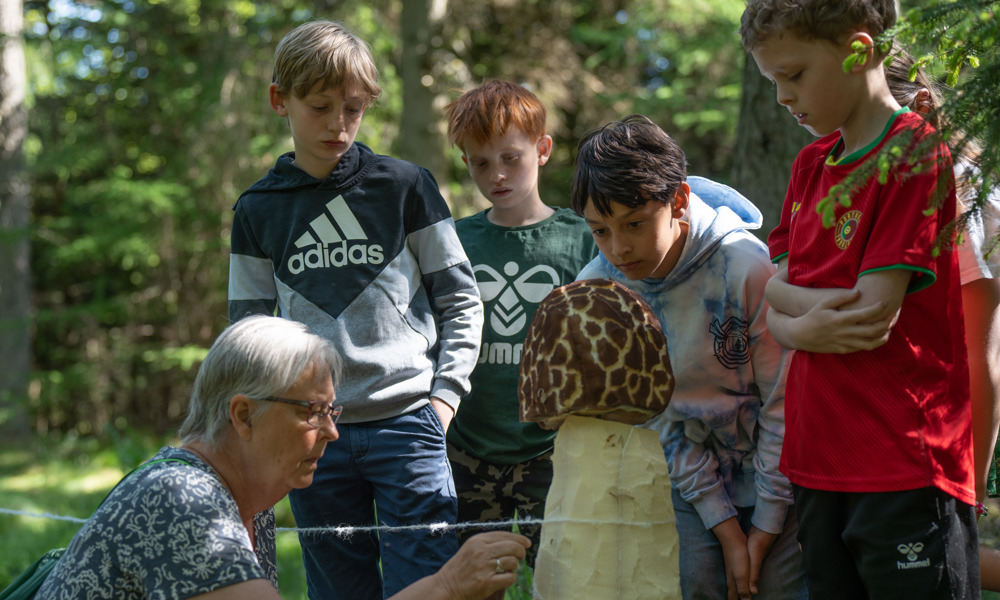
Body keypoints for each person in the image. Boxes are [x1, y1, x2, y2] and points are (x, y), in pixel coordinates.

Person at [226, 21, 484, 600]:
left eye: (353, 108)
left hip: (410, 424)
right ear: (280, 100)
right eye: (319, 107)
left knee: (431, 587)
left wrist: (443, 401)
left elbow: (461, 299)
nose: (338, 125)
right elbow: (247, 335)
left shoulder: (406, 186)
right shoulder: (257, 210)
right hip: (312, 434)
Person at [740, 1, 979, 598]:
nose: (783, 98)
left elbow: (870, 314)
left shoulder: (913, 149)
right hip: (816, 461)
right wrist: (794, 322)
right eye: (773, 81)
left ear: (858, 51)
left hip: (903, 462)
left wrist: (789, 312)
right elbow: (777, 289)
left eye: (794, 75)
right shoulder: (810, 164)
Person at [35, 316, 529, 600]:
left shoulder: (247, 507)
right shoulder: (182, 499)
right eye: (313, 412)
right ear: (243, 415)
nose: (332, 431)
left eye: (332, 411)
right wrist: (446, 585)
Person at [571, 114, 805, 600]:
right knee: (696, 584)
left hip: (781, 473)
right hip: (685, 477)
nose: (618, 248)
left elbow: (784, 402)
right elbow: (656, 417)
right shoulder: (601, 292)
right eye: (600, 231)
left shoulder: (745, 267)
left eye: (634, 224)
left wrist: (765, 524)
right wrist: (725, 527)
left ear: (677, 200)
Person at [442, 79, 596, 568]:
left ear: (542, 149)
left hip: (554, 448)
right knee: (471, 582)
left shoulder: (584, 240)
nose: (497, 175)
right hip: (467, 448)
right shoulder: (452, 242)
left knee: (564, 580)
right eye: (480, 163)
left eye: (511, 157)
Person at [886, 45, 1000, 592]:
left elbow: (983, 357)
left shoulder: (957, 185)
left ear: (921, 105)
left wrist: (970, 486)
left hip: (955, 439)